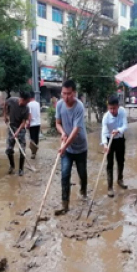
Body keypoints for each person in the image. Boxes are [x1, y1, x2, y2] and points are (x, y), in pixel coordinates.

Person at [56, 79, 88, 214]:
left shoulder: (79, 107)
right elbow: (57, 123)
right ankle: (65, 205)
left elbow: (75, 131)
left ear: (74, 93)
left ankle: (83, 190)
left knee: (82, 173)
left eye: (69, 94)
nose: (66, 97)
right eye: (64, 93)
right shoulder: (59, 105)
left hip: (80, 147)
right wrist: (63, 132)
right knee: (64, 174)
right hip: (67, 148)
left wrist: (63, 147)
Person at [101, 96, 128, 198]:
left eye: (114, 108)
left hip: (120, 139)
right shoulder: (106, 117)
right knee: (110, 163)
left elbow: (125, 126)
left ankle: (120, 179)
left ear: (118, 106)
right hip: (109, 140)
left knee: (121, 161)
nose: (112, 111)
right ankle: (110, 187)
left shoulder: (122, 111)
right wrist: (105, 144)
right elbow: (103, 132)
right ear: (108, 107)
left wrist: (118, 130)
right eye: (110, 108)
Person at [4, 91, 31, 176]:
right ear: (22, 99)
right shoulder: (12, 100)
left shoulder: (26, 108)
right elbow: (5, 104)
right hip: (11, 127)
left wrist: (17, 131)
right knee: (8, 149)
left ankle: (21, 169)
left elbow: (24, 122)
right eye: (27, 101)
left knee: (22, 150)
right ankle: (12, 166)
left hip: (21, 129)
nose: (27, 103)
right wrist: (5, 115)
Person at [27, 93, 41, 159]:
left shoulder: (29, 104)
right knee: (36, 137)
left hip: (32, 124)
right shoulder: (37, 104)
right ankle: (35, 152)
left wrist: (28, 124)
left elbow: (30, 115)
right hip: (38, 123)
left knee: (32, 139)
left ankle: (33, 153)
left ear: (29, 98)